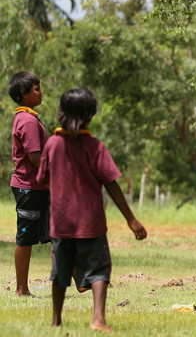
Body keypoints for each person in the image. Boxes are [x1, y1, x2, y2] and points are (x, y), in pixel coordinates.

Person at [36, 88, 147, 332]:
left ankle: (56, 320)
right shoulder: (94, 146)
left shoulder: (52, 144)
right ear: (91, 115)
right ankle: (98, 319)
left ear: (61, 113)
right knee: (98, 270)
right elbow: (111, 183)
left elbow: (43, 178)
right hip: (91, 223)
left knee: (60, 272)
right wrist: (131, 219)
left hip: (61, 223)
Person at [7, 71, 50, 298]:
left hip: (38, 186)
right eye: (36, 89)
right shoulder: (27, 120)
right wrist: (54, 179)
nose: (41, 93)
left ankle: (78, 280)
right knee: (25, 237)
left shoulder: (28, 117)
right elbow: (35, 157)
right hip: (29, 187)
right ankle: (21, 289)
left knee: (56, 232)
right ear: (24, 94)